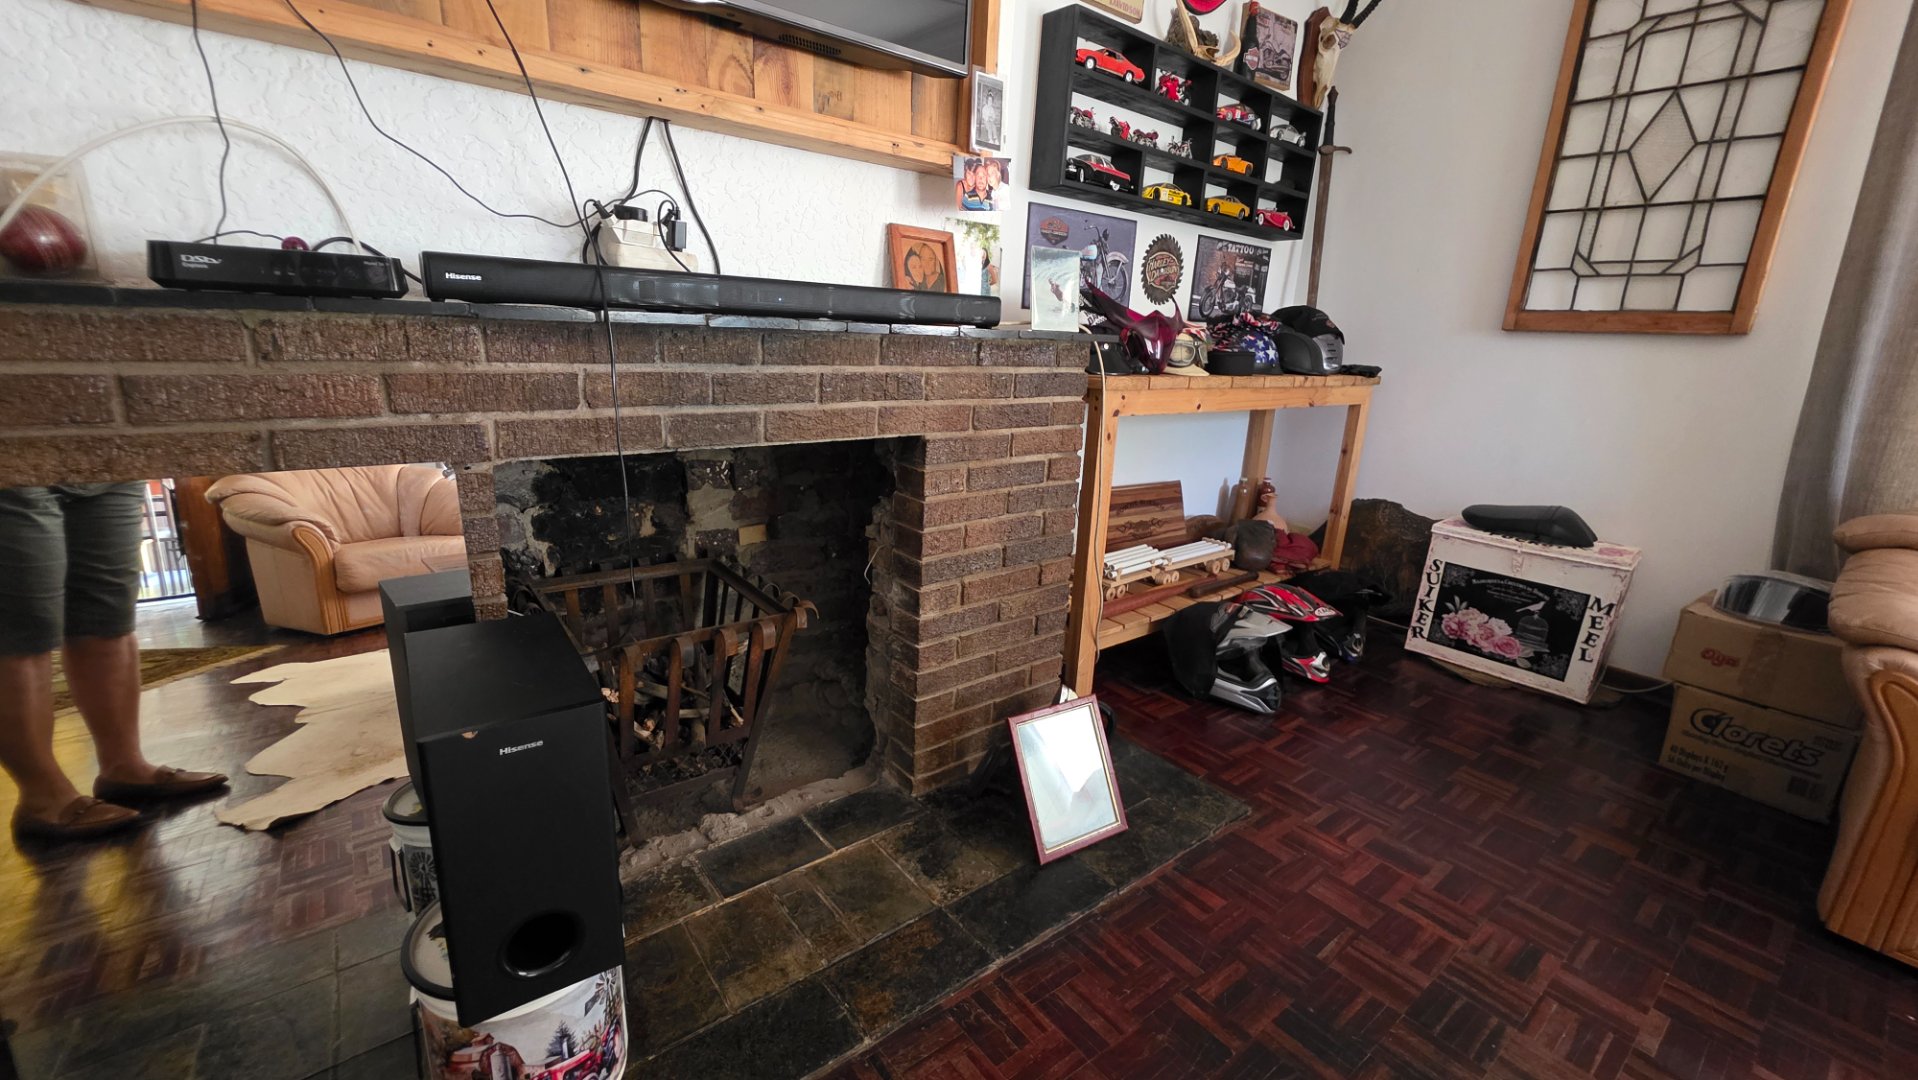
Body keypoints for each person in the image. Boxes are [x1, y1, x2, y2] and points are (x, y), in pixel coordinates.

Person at [0, 482, 227, 841]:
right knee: (21, 629)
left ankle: (125, 767)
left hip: (106, 467)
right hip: (11, 467)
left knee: (108, 619)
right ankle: (43, 796)